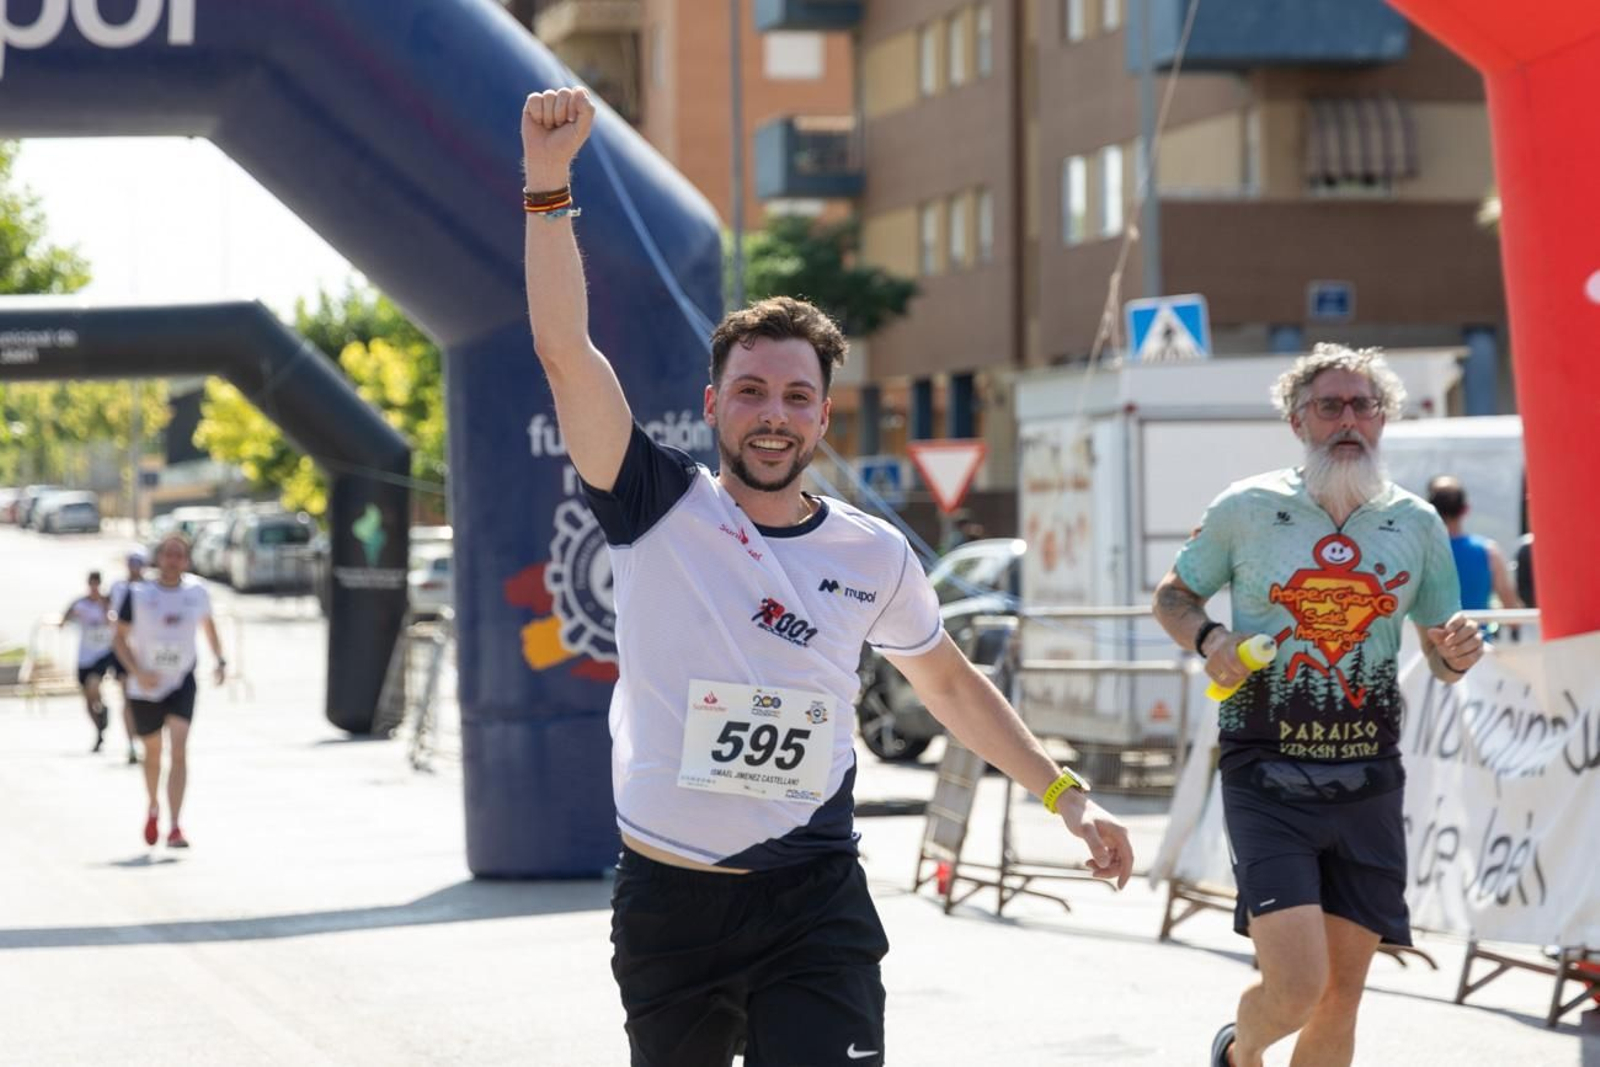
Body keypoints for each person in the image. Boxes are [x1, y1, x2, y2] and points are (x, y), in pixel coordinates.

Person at [522, 86, 1133, 1067]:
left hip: (814, 897)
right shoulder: (655, 508)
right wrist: (548, 186)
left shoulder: (872, 551)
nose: (774, 413)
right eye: (753, 391)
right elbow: (564, 353)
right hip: (671, 901)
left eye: (796, 396)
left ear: (823, 415)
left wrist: (1066, 794)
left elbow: (946, 683)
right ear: (713, 402)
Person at [1151, 344, 1484, 1067]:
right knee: (1298, 986)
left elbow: (1439, 649)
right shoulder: (1246, 507)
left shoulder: (1419, 522)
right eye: (1330, 406)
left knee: (1343, 996)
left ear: (1384, 420)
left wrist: (1455, 651)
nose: (1349, 420)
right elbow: (1173, 596)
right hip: (1266, 773)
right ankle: (1240, 1054)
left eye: (1365, 405)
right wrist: (1209, 636)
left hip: (1368, 779)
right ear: (1298, 421)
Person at [111, 534, 226, 849]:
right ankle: (152, 807)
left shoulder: (197, 591)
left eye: (180, 555)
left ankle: (175, 825)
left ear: (187, 561)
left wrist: (220, 659)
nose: (173, 560)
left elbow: (209, 627)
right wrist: (137, 672)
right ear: (158, 558)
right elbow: (118, 638)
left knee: (178, 749)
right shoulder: (137, 594)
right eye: (168, 554)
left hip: (181, 681)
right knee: (153, 754)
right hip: (145, 685)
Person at [1426, 474, 1523, 637]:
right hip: (1477, 651)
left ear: (1430, 510)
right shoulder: (1489, 551)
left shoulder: (1419, 553)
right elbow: (1512, 614)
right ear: (1465, 509)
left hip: (1425, 651)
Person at [61, 570, 116, 752]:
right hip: (84, 656)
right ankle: (99, 730)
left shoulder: (106, 603)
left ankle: (104, 710)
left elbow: (115, 621)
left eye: (97, 585)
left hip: (101, 655)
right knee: (88, 700)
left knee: (94, 685)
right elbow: (66, 617)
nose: (94, 588)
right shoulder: (81, 603)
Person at [107, 550, 148, 764]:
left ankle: (149, 740)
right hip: (124, 650)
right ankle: (131, 743)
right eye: (131, 563)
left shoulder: (150, 589)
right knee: (128, 698)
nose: (135, 567)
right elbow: (109, 612)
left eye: (138, 563)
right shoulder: (118, 587)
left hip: (146, 651)